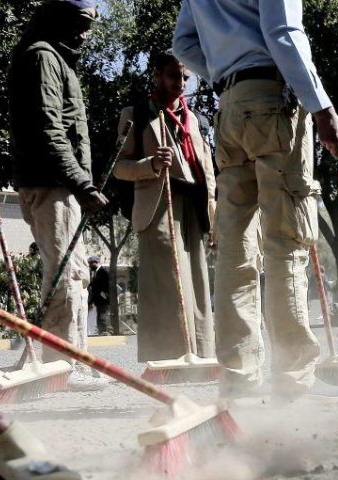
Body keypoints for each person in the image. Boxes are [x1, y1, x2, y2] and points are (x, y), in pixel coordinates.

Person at [173, 0, 338, 402]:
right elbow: (283, 34)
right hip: (273, 100)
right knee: (285, 240)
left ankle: (239, 377)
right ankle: (292, 378)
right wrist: (323, 109)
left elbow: (183, 46)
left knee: (235, 248)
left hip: (229, 109)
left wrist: (225, 71)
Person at [8, 0, 108, 390]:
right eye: (79, 24)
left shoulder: (53, 57)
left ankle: (66, 362)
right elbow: (49, 128)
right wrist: (81, 183)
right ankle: (59, 367)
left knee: (77, 275)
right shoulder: (41, 57)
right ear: (58, 17)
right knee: (66, 276)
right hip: (53, 185)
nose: (83, 34)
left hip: (62, 183)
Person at [112, 49, 216, 362]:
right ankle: (167, 359)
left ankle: (200, 354)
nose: (181, 82)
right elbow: (118, 166)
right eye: (174, 75)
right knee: (168, 282)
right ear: (156, 74)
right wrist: (151, 163)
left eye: (186, 77)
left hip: (194, 209)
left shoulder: (196, 119)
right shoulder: (136, 114)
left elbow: (208, 169)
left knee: (197, 283)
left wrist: (215, 213)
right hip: (158, 206)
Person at [87, 255, 111, 335]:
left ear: (96, 262)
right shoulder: (95, 272)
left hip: (103, 299)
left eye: (91, 263)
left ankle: (104, 332)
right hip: (97, 299)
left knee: (102, 316)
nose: (90, 265)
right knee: (99, 316)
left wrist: (105, 295)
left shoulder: (103, 271)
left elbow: (107, 286)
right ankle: (101, 332)